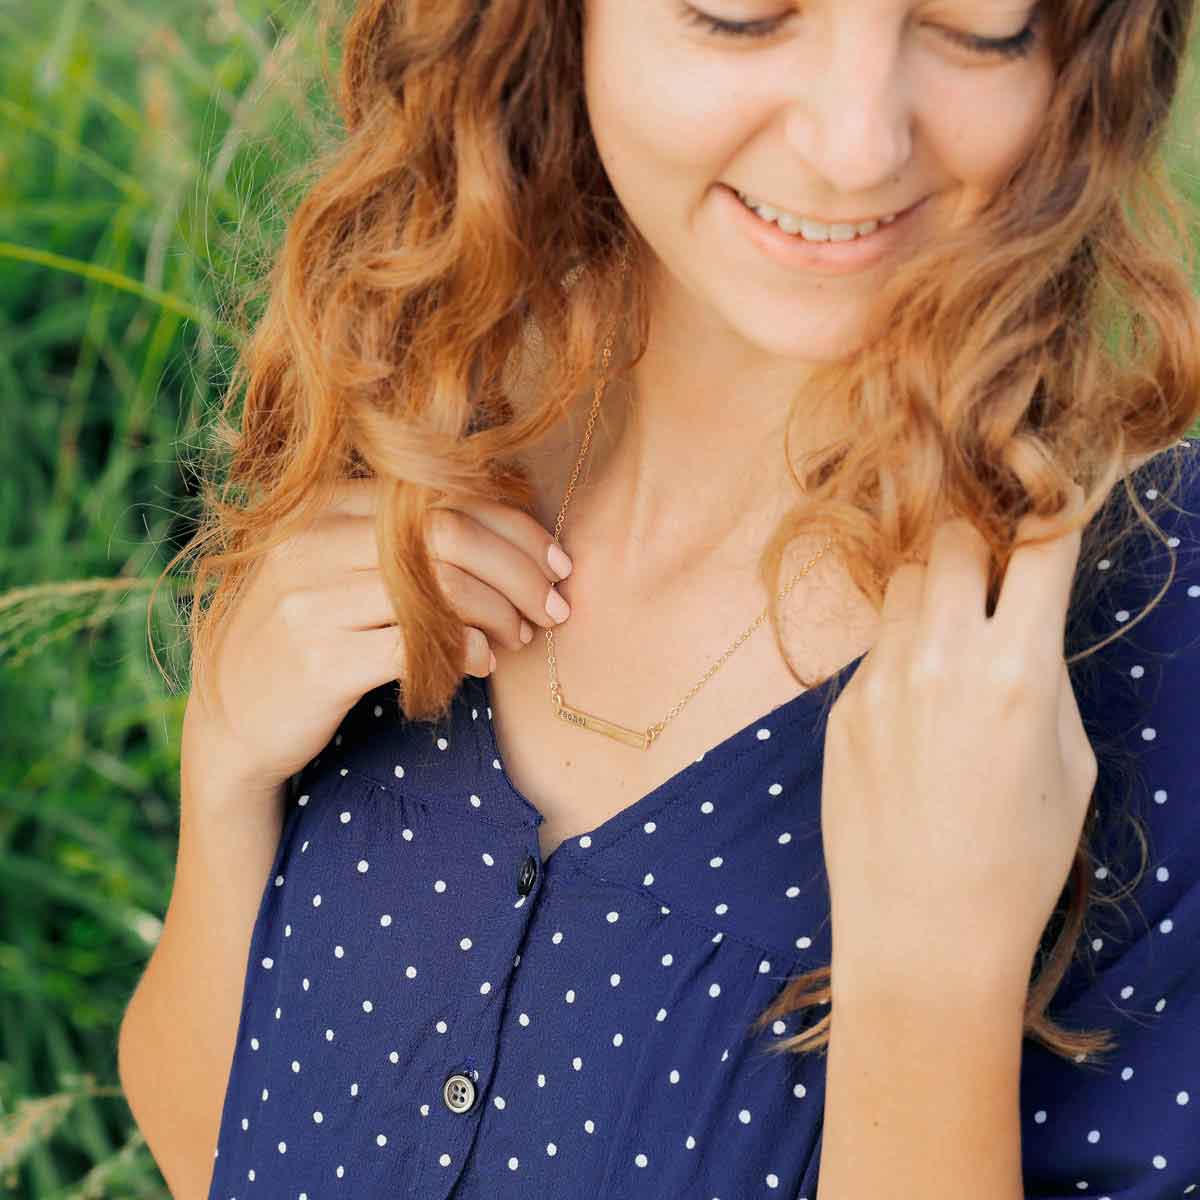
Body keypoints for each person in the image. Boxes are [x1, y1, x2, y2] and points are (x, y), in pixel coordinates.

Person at [117, 1, 1200, 1197]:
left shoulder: (1155, 634)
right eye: (742, 12)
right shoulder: (420, 383)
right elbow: (209, 1150)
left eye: (977, 23)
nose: (854, 144)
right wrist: (223, 778)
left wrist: (932, 990)